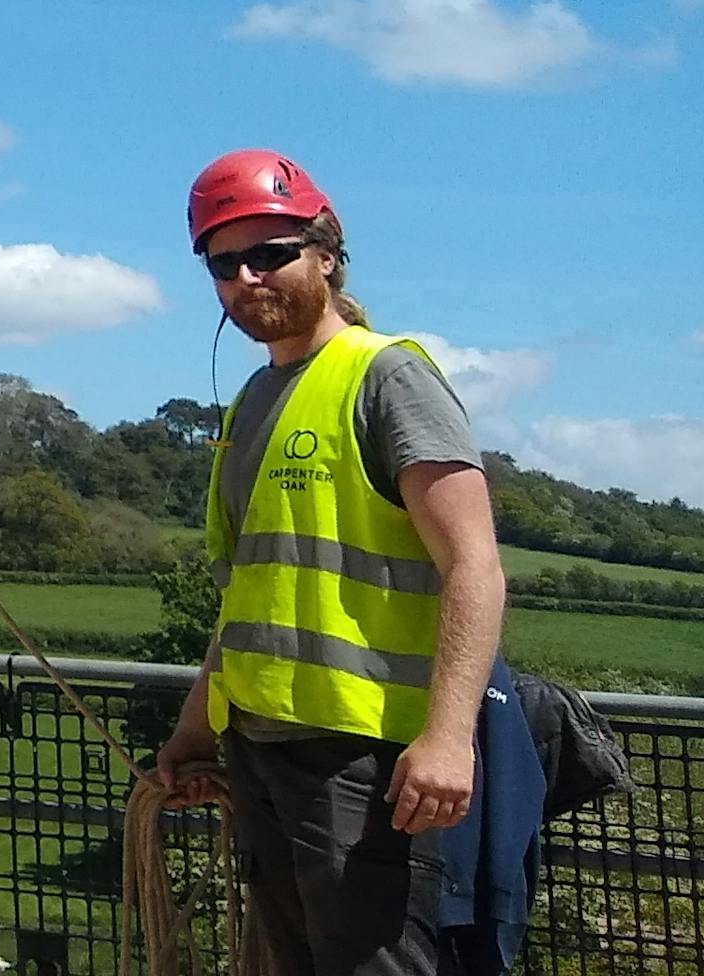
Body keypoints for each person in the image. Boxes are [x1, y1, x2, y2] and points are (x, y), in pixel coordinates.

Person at [148, 150, 506, 976]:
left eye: (269, 252)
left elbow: (474, 567)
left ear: (326, 254)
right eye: (223, 262)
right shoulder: (252, 402)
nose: (246, 277)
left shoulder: (388, 377)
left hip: (363, 758)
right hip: (264, 752)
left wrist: (449, 738)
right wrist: (196, 730)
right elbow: (248, 597)